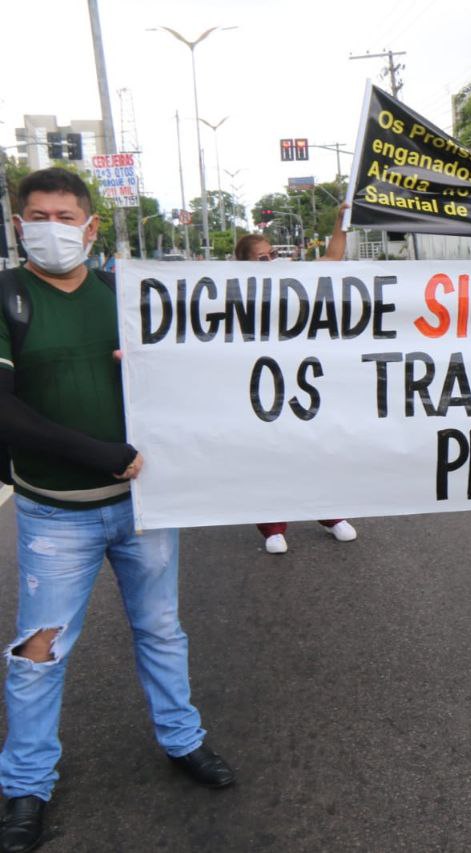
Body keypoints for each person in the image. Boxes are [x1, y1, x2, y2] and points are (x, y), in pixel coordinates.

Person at [0, 168, 235, 853]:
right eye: (38, 214)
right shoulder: (9, 296)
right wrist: (96, 452)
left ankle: (182, 740)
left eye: (66, 215)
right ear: (19, 225)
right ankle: (25, 785)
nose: (52, 227)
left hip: (147, 504)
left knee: (162, 630)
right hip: (55, 514)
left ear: (92, 226)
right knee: (38, 653)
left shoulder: (124, 296)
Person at [233, 205, 358, 555]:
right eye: (262, 258)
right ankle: (273, 526)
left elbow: (333, 256)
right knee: (271, 453)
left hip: (305, 380)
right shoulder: (235, 293)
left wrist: (339, 222)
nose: (272, 260)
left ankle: (329, 514)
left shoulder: (296, 276)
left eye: (272, 253)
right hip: (263, 385)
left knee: (316, 447)